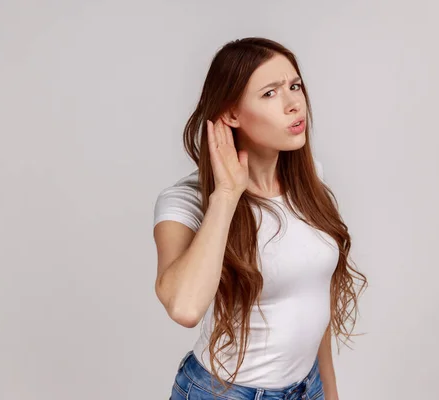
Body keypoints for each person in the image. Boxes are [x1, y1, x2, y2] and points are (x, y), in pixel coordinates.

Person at [153, 37, 367, 400]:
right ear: (232, 113)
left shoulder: (308, 181)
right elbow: (185, 308)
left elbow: (314, 303)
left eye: (294, 86)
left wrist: (328, 392)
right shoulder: (186, 202)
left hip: (306, 387)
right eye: (270, 93)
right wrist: (226, 195)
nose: (293, 103)